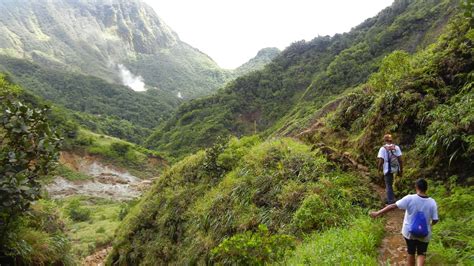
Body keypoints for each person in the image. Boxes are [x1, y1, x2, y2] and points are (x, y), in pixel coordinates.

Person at [370, 178, 439, 266]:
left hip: (410, 233)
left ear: (416, 187)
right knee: (421, 253)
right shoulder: (432, 202)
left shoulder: (410, 198)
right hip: (425, 233)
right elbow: (435, 219)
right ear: (426, 188)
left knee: (411, 252)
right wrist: (430, 225)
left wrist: (377, 213)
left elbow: (393, 206)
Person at [377, 134, 403, 204]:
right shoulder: (396, 147)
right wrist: (401, 170)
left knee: (388, 184)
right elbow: (400, 159)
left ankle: (390, 201)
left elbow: (381, 161)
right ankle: (391, 197)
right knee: (391, 184)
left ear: (385, 140)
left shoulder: (383, 148)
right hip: (395, 167)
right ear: (391, 140)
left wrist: (379, 169)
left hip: (387, 169)